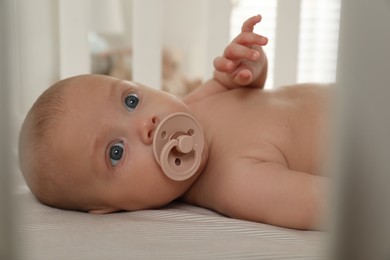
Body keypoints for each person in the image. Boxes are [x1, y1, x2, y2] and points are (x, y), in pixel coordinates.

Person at [19, 15, 329, 230]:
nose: (147, 126)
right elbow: (326, 204)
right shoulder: (233, 183)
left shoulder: (198, 101)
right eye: (116, 152)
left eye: (131, 101)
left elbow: (251, 92)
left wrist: (249, 65)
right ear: (112, 207)